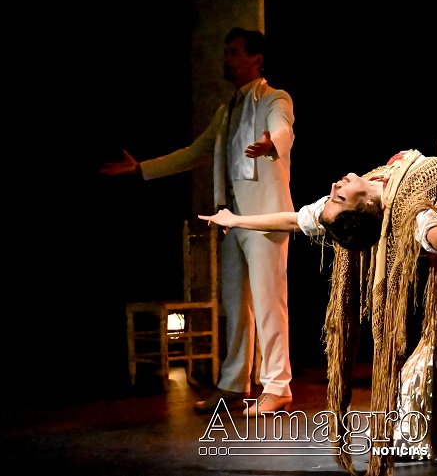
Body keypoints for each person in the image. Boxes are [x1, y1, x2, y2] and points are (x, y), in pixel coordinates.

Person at [200, 149, 437, 476]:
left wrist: (234, 219)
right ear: (364, 209)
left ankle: (414, 434)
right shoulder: (406, 209)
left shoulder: (373, 187)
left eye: (334, 195)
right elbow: (434, 238)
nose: (334, 185)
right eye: (339, 196)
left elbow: (295, 219)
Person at [101, 27, 295, 416]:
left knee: (269, 303)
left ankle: (278, 387)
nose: (227, 59)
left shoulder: (274, 98)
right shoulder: (226, 112)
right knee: (235, 304)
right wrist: (142, 170)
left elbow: (283, 127)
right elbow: (195, 152)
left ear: (256, 60)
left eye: (234, 53)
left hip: (265, 219)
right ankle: (233, 383)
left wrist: (273, 143)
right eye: (225, 52)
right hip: (232, 220)